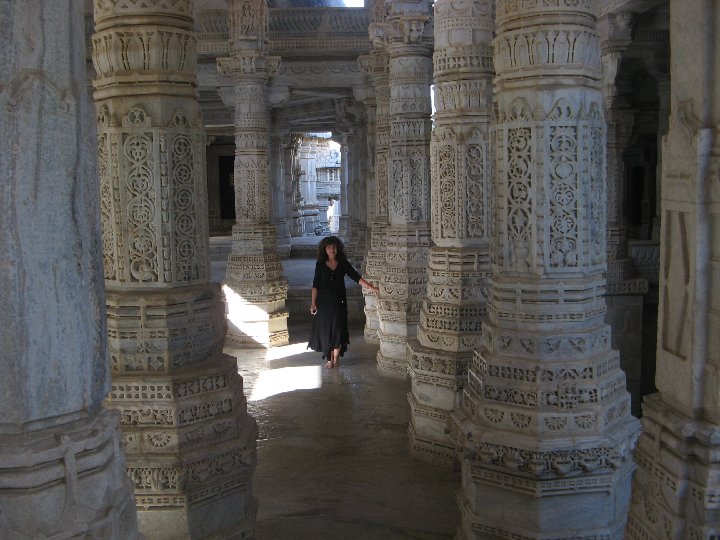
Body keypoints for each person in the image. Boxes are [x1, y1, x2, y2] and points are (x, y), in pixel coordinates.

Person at [307, 236, 379, 368]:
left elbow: (355, 276)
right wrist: (313, 303)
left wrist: (370, 287)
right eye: (329, 247)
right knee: (326, 330)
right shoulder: (320, 265)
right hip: (324, 303)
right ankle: (329, 359)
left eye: (334, 247)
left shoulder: (343, 263)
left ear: (337, 248)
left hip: (339, 301)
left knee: (338, 329)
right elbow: (315, 285)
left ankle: (336, 358)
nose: (332, 249)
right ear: (325, 249)